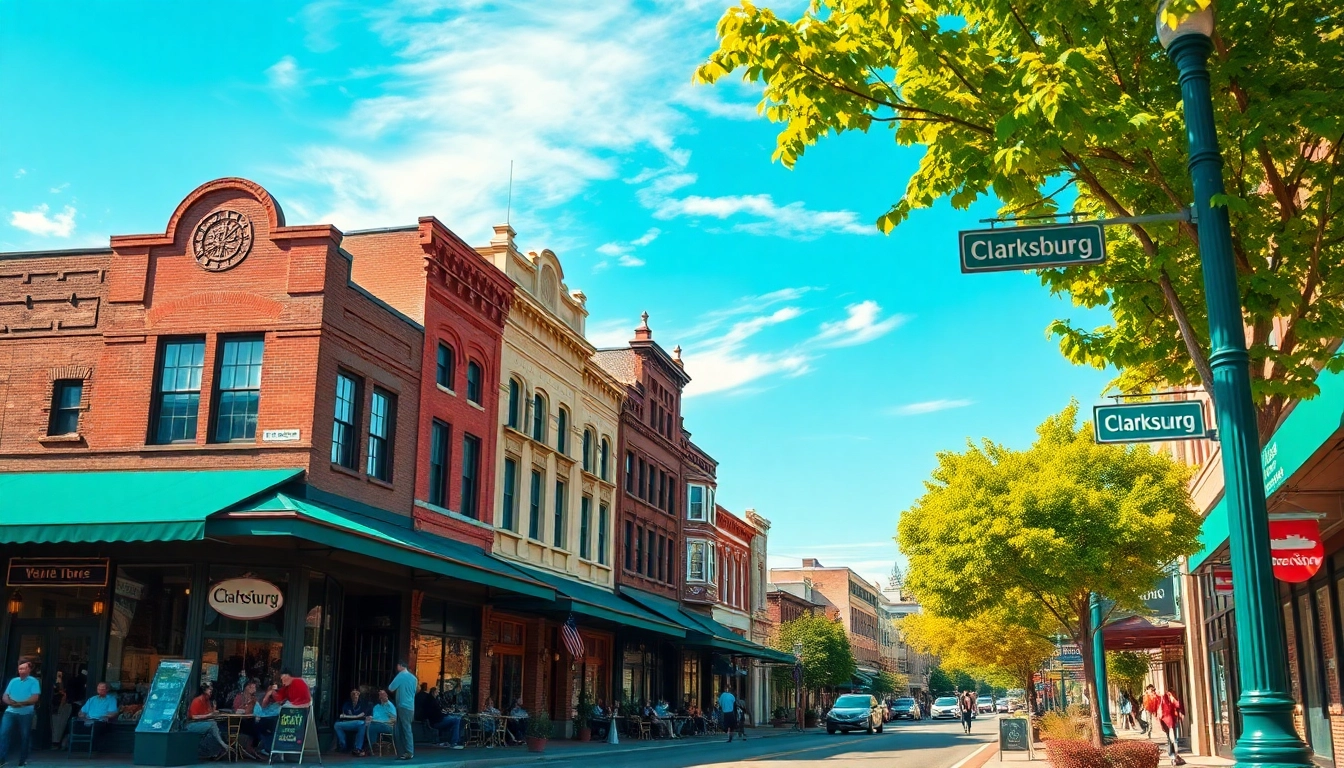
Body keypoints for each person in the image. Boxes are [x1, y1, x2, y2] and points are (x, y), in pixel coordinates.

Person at [0, 660, 40, 767]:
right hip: (10, 711)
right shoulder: (13, 681)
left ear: (29, 669)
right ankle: (1, 759)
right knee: (3, 734)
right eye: (20, 668)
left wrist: (22, 704)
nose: (21, 671)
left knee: (25, 736)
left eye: (23, 668)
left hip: (26, 713)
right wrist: (11, 703)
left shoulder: (34, 681)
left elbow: (35, 698)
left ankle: (22, 760)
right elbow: (5, 696)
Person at [186, 683, 229, 760]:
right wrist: (209, 715)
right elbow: (193, 716)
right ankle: (223, 745)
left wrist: (214, 711)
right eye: (210, 689)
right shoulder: (197, 700)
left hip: (203, 723)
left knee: (218, 725)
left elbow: (208, 713)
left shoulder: (208, 701)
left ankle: (217, 750)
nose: (211, 691)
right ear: (204, 690)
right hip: (192, 725)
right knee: (212, 724)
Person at [72, 682, 120, 752]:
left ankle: (92, 749)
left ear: (107, 689)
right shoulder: (92, 699)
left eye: (102, 688)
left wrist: (103, 717)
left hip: (100, 721)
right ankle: (78, 748)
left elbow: (113, 713)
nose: (100, 690)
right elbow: (81, 712)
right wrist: (84, 718)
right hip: (88, 720)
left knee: (96, 727)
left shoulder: (111, 699)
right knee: (74, 724)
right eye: (99, 688)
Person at [387, 661, 418, 760]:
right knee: (406, 728)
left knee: (404, 729)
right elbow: (415, 691)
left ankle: (408, 752)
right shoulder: (414, 678)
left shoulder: (401, 675)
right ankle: (405, 751)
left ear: (400, 666)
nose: (397, 668)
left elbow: (391, 688)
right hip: (411, 706)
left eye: (397, 666)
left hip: (402, 705)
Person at [335, 688, 370, 756]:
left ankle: (358, 748)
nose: (355, 695)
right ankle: (343, 744)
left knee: (362, 724)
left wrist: (351, 716)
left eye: (357, 693)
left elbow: (362, 715)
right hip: (349, 723)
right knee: (337, 725)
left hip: (359, 723)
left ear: (359, 694)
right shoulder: (347, 704)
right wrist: (355, 716)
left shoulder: (363, 704)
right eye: (353, 694)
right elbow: (343, 715)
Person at [1159, 689, 1187, 766]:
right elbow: (1177, 705)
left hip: (1170, 722)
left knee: (1172, 739)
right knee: (1173, 739)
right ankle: (1173, 756)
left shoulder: (1167, 701)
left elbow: (1177, 706)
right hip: (1169, 723)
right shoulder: (1167, 702)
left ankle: (1173, 756)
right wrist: (1173, 698)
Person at [253, 685, 282, 756]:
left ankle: (267, 749)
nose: (274, 692)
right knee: (260, 727)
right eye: (273, 690)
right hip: (264, 720)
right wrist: (268, 695)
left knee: (270, 729)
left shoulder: (279, 701)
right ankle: (265, 749)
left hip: (275, 720)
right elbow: (263, 706)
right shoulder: (263, 698)